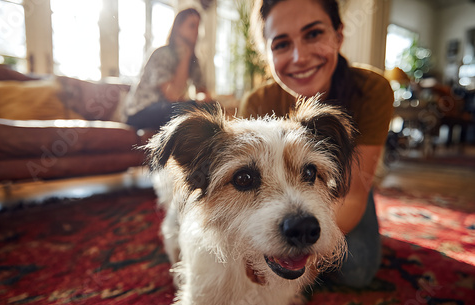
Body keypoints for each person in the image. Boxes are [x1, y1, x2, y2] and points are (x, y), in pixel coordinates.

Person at [239, 0, 394, 288]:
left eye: (313, 34)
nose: (299, 57)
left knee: (355, 268)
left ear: (338, 34)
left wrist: (301, 253)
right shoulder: (257, 103)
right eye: (281, 44)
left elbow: (354, 195)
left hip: (347, 189)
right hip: (272, 198)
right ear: (266, 53)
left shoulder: (372, 90)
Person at [124, 8, 211, 130]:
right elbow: (173, 96)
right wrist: (185, 56)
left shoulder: (194, 60)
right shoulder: (161, 54)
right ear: (178, 27)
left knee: (210, 107)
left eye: (198, 27)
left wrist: (202, 99)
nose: (197, 32)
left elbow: (203, 91)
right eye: (192, 26)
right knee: (184, 109)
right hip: (140, 112)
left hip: (166, 109)